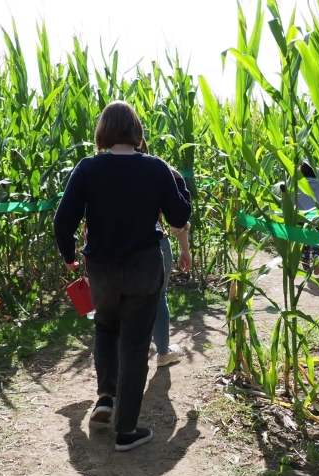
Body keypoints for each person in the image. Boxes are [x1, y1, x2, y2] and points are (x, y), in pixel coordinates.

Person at [53, 101, 192, 452]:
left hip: (101, 268)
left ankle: (105, 398)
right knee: (133, 345)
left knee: (105, 327)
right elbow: (179, 215)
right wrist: (183, 191)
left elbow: (62, 220)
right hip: (145, 266)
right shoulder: (157, 168)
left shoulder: (88, 168)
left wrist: (70, 257)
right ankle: (126, 431)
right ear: (136, 131)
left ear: (103, 131)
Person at [136, 139, 192, 368]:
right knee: (159, 297)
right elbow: (177, 218)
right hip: (156, 245)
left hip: (117, 250)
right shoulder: (162, 170)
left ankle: (130, 355)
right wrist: (185, 250)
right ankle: (162, 352)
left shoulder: (106, 170)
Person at [295, 161, 319, 274]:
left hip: (301, 216)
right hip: (316, 217)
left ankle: (306, 266)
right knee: (316, 240)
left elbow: (291, 200)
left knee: (304, 242)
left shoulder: (297, 183)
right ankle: (317, 261)